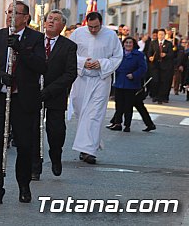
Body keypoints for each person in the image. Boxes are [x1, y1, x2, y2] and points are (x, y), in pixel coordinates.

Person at [0, 1, 47, 204]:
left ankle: (24, 185)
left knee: (25, 145)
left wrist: (21, 50)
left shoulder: (36, 38)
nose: (10, 16)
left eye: (15, 13)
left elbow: (42, 66)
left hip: (22, 99)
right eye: (8, 12)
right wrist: (0, 76)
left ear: (26, 17)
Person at [69, 12, 122, 165]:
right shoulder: (78, 34)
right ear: (86, 23)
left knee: (94, 114)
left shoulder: (111, 36)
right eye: (90, 27)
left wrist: (101, 64)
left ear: (101, 23)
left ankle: (88, 151)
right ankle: (87, 145)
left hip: (101, 79)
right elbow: (69, 54)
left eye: (96, 27)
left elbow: (117, 57)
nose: (93, 30)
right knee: (82, 113)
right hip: (82, 79)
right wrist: (83, 62)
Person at [30, 9, 77, 180]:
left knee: (55, 130)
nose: (51, 21)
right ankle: (35, 166)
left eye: (56, 20)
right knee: (34, 129)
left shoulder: (68, 46)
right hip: (34, 92)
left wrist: (49, 91)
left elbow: (70, 73)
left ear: (62, 26)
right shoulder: (35, 41)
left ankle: (56, 155)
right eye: (49, 18)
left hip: (55, 94)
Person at [107, 37, 147, 132]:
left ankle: (127, 125)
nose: (128, 44)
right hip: (120, 82)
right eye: (126, 42)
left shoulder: (138, 55)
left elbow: (143, 68)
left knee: (128, 106)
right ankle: (117, 123)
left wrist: (134, 75)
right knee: (119, 105)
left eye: (130, 43)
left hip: (131, 84)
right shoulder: (119, 54)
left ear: (133, 44)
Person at [148, 28, 174, 104]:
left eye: (162, 35)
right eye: (159, 34)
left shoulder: (168, 44)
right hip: (155, 65)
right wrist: (150, 57)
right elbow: (149, 52)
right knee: (155, 81)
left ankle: (161, 97)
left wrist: (165, 55)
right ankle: (155, 95)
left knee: (163, 81)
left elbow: (172, 54)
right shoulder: (153, 43)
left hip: (165, 66)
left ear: (164, 35)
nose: (160, 36)